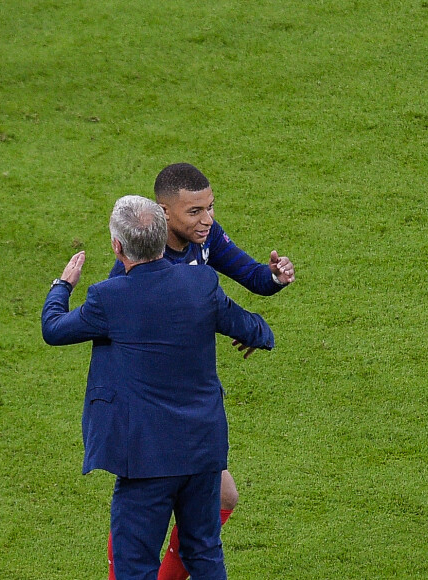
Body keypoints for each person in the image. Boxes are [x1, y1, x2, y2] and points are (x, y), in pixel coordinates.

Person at [42, 195, 275, 580]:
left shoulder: (108, 297)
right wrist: (261, 335)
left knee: (135, 567)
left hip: (145, 458)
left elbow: (54, 329)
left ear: (118, 247)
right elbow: (249, 326)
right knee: (205, 555)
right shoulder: (201, 282)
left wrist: (62, 285)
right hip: (202, 449)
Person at [108, 164, 295, 580]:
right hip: (154, 420)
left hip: (189, 411)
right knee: (152, 529)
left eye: (210, 208)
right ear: (162, 212)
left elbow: (251, 276)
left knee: (223, 498)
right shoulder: (133, 269)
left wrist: (275, 278)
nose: (207, 220)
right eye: (195, 211)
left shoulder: (205, 238)